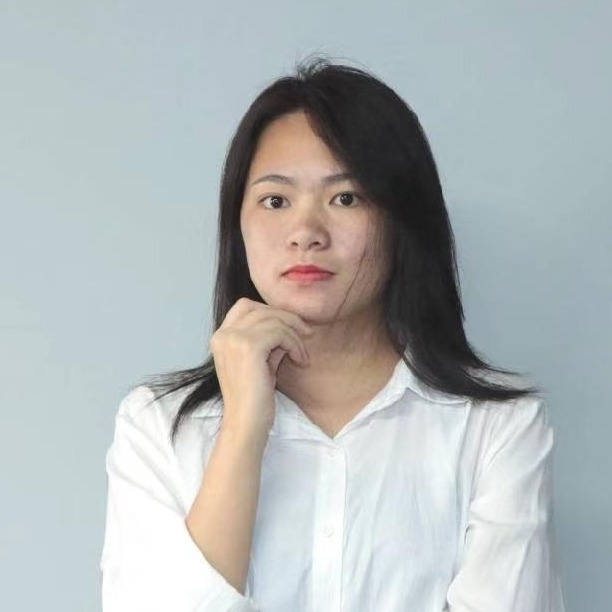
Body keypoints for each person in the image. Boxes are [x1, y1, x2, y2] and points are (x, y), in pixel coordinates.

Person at [100, 57, 567, 611]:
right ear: (238, 224)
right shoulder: (158, 425)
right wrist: (243, 428)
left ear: (402, 220)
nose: (305, 232)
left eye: (346, 198)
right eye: (275, 200)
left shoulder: (497, 427)